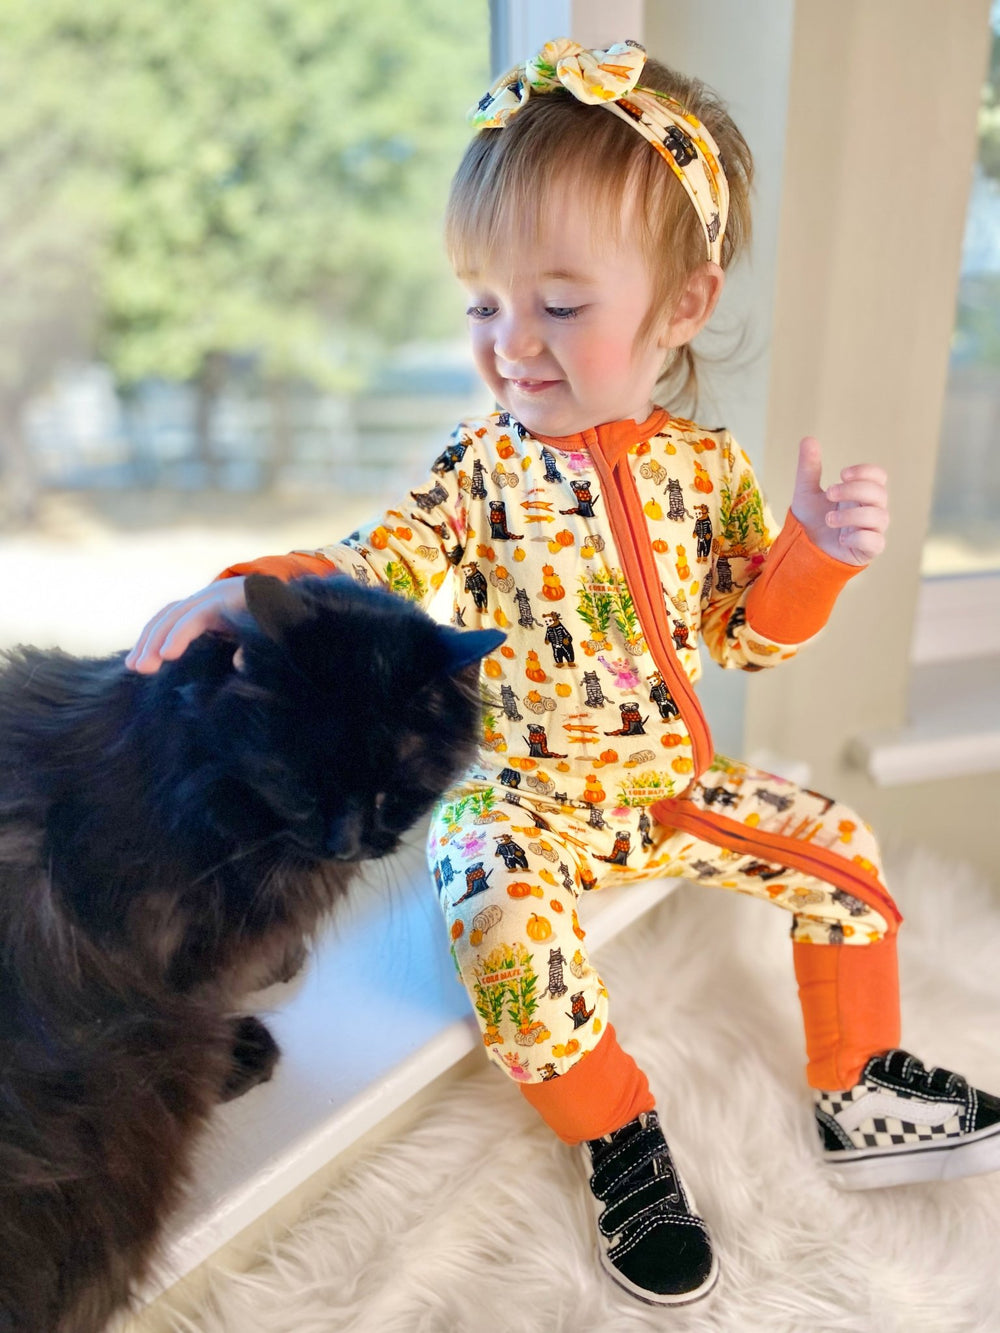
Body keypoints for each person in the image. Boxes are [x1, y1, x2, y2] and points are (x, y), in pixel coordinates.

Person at [128, 40, 1000, 1308]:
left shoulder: (705, 474)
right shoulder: (479, 471)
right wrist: (242, 587)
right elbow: (373, 562)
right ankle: (620, 1139)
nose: (510, 344)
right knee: (500, 929)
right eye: (483, 304)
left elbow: (752, 635)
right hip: (527, 800)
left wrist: (810, 551)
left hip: (666, 782)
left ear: (682, 306)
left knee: (842, 850)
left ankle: (856, 1081)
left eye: (559, 304)